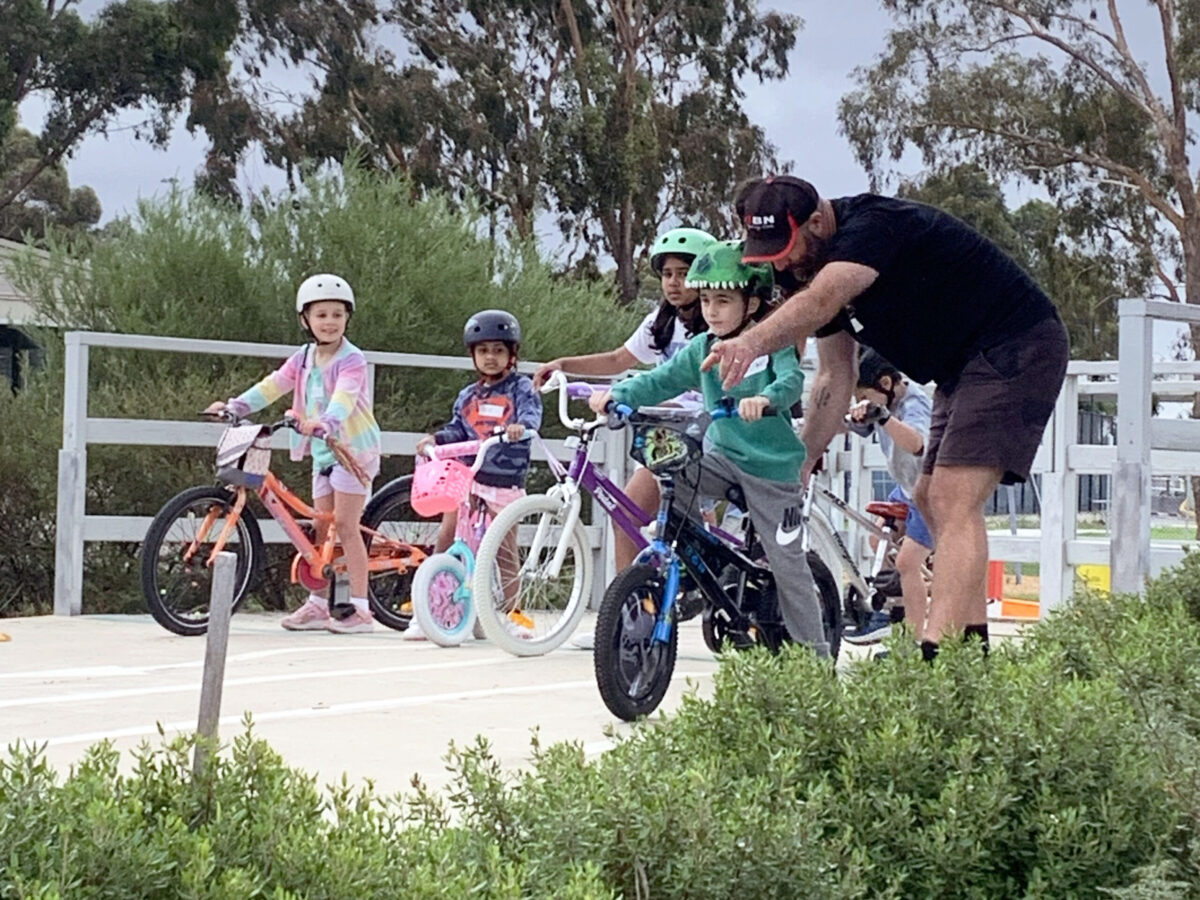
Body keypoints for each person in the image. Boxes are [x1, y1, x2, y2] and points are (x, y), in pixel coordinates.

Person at [705, 175, 1069, 660]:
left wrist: (749, 343)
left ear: (818, 221)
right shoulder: (806, 268)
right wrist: (804, 459)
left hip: (1017, 343)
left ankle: (935, 658)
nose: (783, 264)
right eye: (768, 255)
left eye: (786, 248)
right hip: (959, 366)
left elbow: (819, 303)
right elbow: (836, 375)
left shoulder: (872, 227)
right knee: (927, 496)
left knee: (952, 497)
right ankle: (973, 655)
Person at [589, 241, 830, 656]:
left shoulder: (774, 344)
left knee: (788, 563)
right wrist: (618, 393)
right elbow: (658, 380)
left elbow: (791, 382)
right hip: (720, 458)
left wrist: (767, 399)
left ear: (752, 302)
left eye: (723, 300)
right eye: (705, 300)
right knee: (671, 471)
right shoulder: (703, 348)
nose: (711, 310)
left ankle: (816, 659)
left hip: (771, 470)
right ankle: (701, 563)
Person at [534, 226, 716, 650]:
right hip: (667, 437)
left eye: (684, 273)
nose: (673, 283)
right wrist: (565, 363)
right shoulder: (661, 323)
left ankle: (685, 591)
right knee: (628, 516)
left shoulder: (719, 321)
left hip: (707, 435)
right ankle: (627, 617)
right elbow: (619, 360)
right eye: (667, 274)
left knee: (651, 515)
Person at [207, 273, 382, 633]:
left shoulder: (352, 359)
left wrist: (327, 423)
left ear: (348, 317)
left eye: (337, 314)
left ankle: (362, 610)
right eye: (321, 315)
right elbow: (273, 385)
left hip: (352, 450)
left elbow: (345, 398)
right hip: (322, 450)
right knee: (320, 526)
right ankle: (318, 605)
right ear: (306, 320)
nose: (330, 322)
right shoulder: (302, 358)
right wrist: (236, 407)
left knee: (347, 526)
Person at [409, 310, 543, 641]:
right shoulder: (468, 396)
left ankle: (513, 614)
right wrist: (437, 439)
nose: (491, 357)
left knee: (504, 551)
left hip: (505, 481)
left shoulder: (521, 388)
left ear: (512, 354)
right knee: (448, 537)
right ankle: (433, 609)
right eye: (483, 351)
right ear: (473, 355)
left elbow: (532, 416)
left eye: (498, 350)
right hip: (469, 478)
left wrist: (520, 428)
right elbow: (458, 429)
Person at [842, 349, 934, 647]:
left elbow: (917, 443)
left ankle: (914, 642)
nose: (863, 404)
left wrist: (882, 417)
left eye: (866, 398)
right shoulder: (884, 400)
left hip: (929, 491)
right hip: (906, 487)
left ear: (886, 383)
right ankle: (893, 607)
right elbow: (860, 426)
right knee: (877, 539)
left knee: (907, 563)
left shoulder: (914, 402)